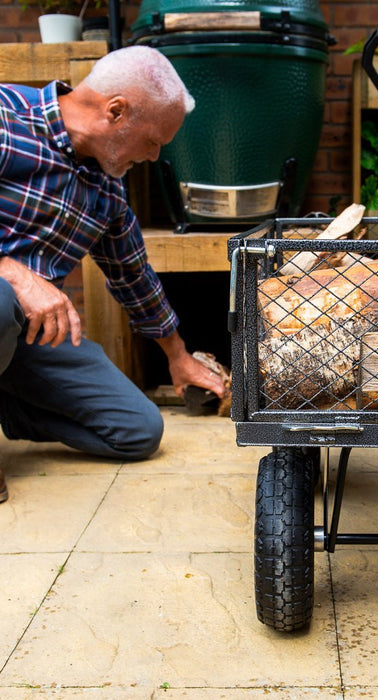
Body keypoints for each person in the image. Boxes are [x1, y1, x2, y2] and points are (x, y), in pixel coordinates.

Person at [0, 46, 226, 503]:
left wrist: (178, 356)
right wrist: (15, 273)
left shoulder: (107, 186)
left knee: (138, 431)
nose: (153, 155)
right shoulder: (7, 119)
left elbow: (133, 274)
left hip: (26, 334)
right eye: (153, 140)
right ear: (116, 111)